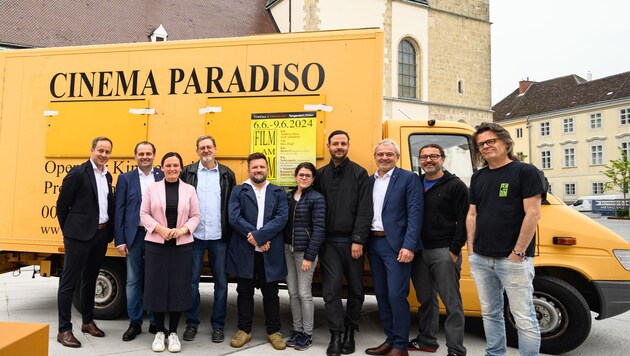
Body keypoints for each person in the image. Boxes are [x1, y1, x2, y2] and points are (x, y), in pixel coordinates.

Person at [466, 122, 544, 356]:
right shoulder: (478, 177)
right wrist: (471, 250)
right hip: (481, 257)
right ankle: (494, 354)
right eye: (481, 144)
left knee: (524, 317)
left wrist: (518, 252)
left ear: (506, 142)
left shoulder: (525, 172)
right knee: (490, 314)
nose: (486, 146)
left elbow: (533, 213)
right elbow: (472, 214)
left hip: (513, 260)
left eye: (491, 141)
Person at [314, 130, 373, 356]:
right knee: (331, 290)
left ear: (348, 145)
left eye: (343, 143)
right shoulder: (320, 175)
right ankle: (336, 334)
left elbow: (365, 210)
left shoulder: (359, 173)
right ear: (328, 146)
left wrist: (358, 239)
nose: (339, 147)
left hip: (353, 243)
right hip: (329, 243)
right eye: (335, 143)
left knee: (357, 290)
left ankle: (350, 330)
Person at [55, 136, 115, 348]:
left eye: (107, 152)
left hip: (99, 235)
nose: (104, 155)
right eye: (100, 150)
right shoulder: (78, 173)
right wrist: (70, 233)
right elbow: (62, 206)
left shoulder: (107, 176)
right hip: (78, 237)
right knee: (69, 283)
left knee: (90, 279)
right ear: (92, 150)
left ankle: (87, 321)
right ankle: (64, 330)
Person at [365, 139, 422, 356]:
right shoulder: (370, 181)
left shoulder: (408, 178)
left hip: (397, 246)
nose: (384, 158)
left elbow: (415, 214)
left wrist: (409, 246)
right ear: (375, 157)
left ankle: (400, 345)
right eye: (380, 154)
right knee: (381, 294)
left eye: (389, 154)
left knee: (396, 295)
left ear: (397, 157)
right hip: (374, 243)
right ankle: (390, 339)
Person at [409, 144, 468, 356]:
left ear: (442, 159)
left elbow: (464, 220)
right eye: (424, 157)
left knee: (452, 303)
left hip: (443, 251)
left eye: (433, 156)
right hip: (419, 251)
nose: (428, 160)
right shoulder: (416, 183)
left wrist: (454, 249)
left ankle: (455, 349)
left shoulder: (455, 185)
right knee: (426, 300)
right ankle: (427, 340)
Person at [227, 152, 289, 350]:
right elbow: (234, 217)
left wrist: (261, 237)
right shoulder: (239, 190)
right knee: (244, 292)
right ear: (249, 170)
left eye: (262, 167)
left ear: (267, 169)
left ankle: (274, 331)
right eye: (254, 167)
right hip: (246, 249)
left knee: (271, 292)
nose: (258, 170)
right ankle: (244, 330)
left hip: (269, 250)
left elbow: (281, 218)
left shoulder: (278, 192)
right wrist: (255, 237)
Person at [140, 152, 200, 353]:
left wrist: (182, 230)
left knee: (178, 288)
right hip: (156, 245)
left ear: (181, 167)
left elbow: (195, 216)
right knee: (156, 287)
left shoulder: (189, 190)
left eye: (176, 165)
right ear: (162, 167)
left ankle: (173, 332)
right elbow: (144, 214)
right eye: (168, 165)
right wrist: (160, 229)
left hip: (181, 245)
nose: (172, 169)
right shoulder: (152, 188)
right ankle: (159, 332)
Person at [181, 135, 236, 343]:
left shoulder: (226, 174)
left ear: (215, 149)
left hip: (219, 237)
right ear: (196, 151)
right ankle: (192, 323)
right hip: (193, 236)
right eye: (202, 147)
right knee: (191, 282)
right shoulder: (189, 172)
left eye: (209, 147)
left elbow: (231, 205)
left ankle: (218, 325)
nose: (206, 150)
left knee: (221, 283)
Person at [114, 141, 164, 341]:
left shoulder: (161, 176)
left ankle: (154, 322)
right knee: (133, 280)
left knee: (154, 279)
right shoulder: (125, 178)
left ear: (154, 155)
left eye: (148, 153)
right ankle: (135, 322)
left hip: (157, 235)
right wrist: (119, 239)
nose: (145, 156)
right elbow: (119, 210)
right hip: (134, 236)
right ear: (135, 156)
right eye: (141, 153)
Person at [283, 162, 326, 351]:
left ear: (313, 178)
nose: (304, 178)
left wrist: (310, 256)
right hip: (287, 250)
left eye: (308, 175)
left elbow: (319, 230)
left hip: (304, 253)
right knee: (292, 292)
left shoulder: (317, 199)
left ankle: (307, 334)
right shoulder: (289, 197)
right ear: (295, 176)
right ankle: (297, 330)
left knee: (304, 293)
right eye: (301, 175)